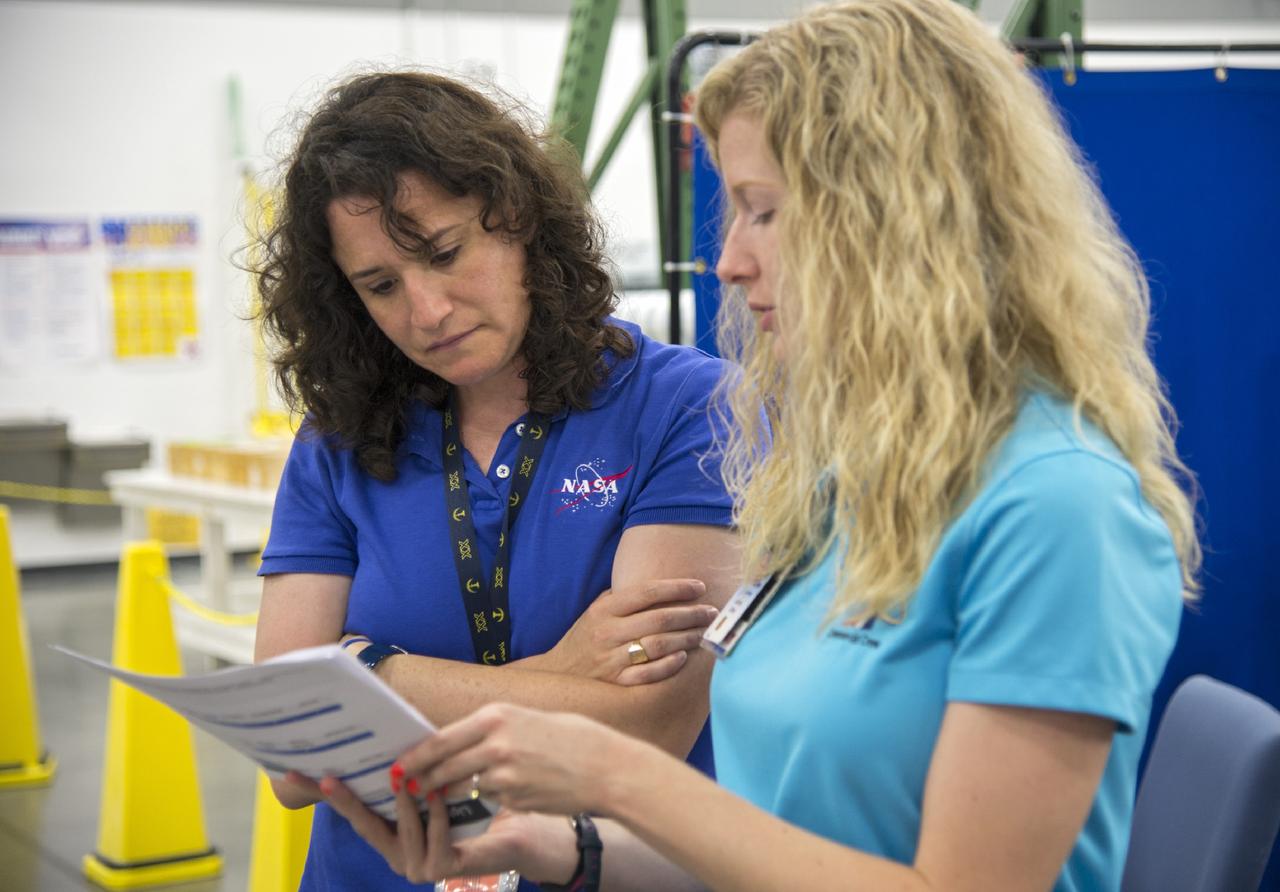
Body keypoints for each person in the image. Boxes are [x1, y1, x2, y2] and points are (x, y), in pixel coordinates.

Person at [317, 2, 1202, 890]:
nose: (731, 261)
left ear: (899, 217)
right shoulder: (847, 482)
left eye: (762, 210)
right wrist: (559, 847)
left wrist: (614, 774)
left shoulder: (1057, 506)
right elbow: (776, 843)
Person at [251, 70, 740, 891]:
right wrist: (556, 677)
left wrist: (370, 672)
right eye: (380, 286)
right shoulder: (338, 441)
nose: (428, 310)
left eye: (444, 253)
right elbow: (292, 762)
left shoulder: (683, 406)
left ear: (518, 220)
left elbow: (644, 727)